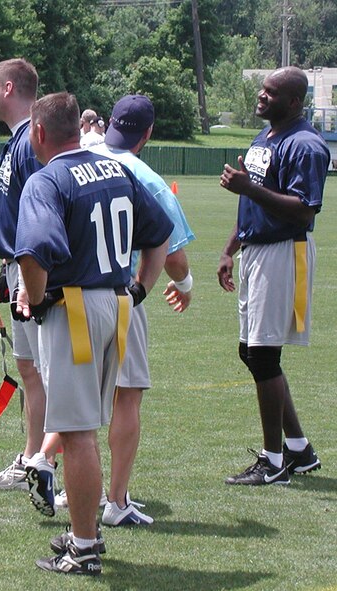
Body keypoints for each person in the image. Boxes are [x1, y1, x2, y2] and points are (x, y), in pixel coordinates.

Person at [14, 92, 172, 575]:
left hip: (75, 308)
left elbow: (33, 251)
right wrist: (141, 288)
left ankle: (83, 547)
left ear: (39, 133)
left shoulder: (47, 179)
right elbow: (161, 232)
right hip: (116, 305)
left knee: (77, 433)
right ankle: (85, 527)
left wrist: (34, 298)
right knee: (85, 426)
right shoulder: (117, 169)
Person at [88, 94, 196, 525]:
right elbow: (167, 248)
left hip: (76, 297)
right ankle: (115, 501)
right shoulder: (146, 177)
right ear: (148, 133)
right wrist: (184, 284)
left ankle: (78, 486)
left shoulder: (84, 157)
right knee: (126, 396)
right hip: (122, 294)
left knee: (81, 400)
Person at [218, 66, 327, 486]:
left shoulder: (306, 145)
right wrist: (231, 249)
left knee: (264, 355)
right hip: (257, 250)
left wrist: (249, 189)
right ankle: (298, 449)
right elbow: (255, 201)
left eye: (271, 92)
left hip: (285, 251)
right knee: (252, 353)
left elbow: (303, 209)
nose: (261, 96)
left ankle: (273, 460)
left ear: (294, 101)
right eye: (262, 89)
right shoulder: (265, 138)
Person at [0, 58, 46, 491]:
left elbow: (43, 215)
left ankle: (45, 464)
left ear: (8, 89)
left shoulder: (30, 142)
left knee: (44, 370)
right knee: (29, 369)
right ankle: (30, 460)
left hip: (31, 272)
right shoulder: (19, 140)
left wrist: (26, 272)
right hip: (16, 268)